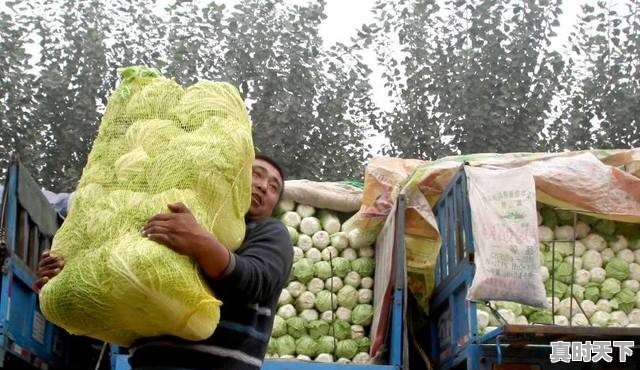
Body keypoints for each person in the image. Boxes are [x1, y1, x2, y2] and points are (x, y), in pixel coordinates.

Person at [36, 154, 293, 370]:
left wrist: (200, 242)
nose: (263, 186)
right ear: (233, 177)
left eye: (273, 188)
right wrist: (66, 275)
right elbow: (122, 286)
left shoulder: (269, 232)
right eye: (257, 174)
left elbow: (256, 281)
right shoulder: (179, 216)